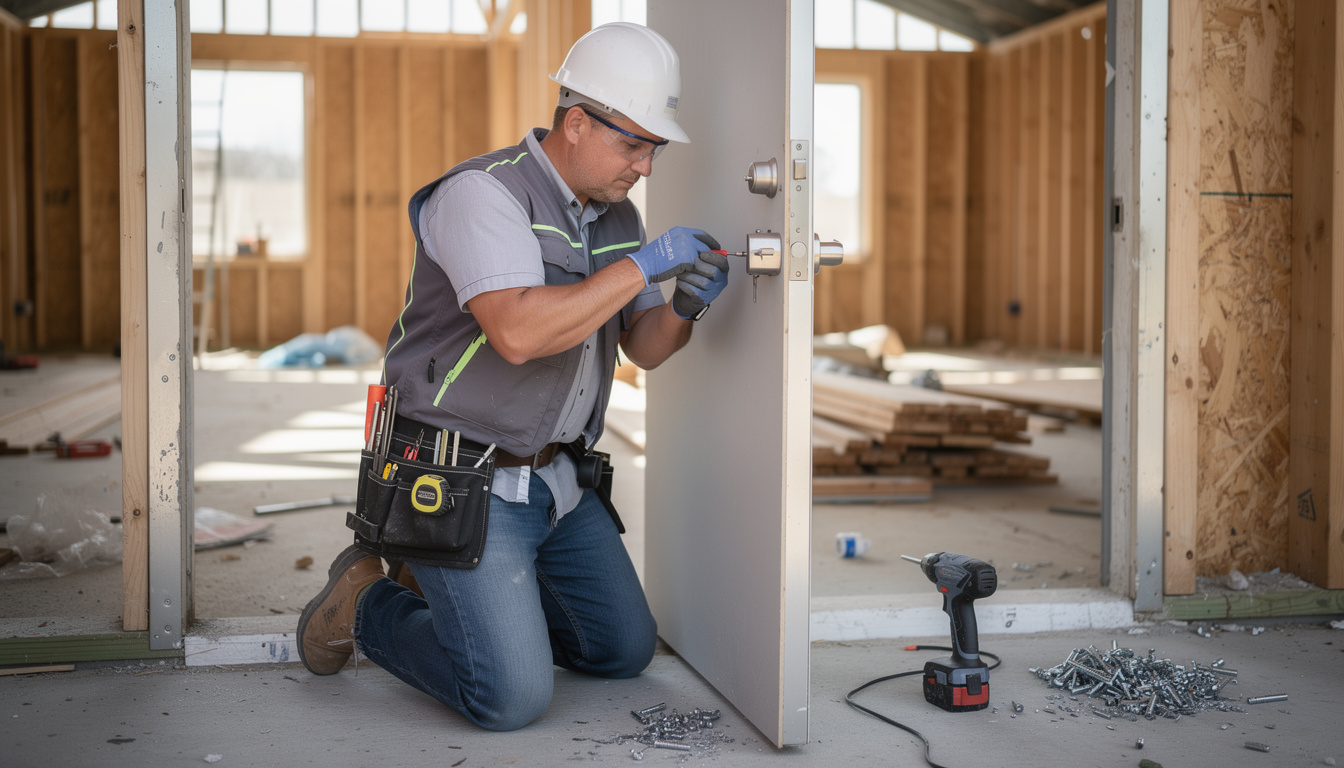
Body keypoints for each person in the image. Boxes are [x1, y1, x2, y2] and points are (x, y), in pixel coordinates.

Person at [295, 22, 730, 732]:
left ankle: (480, 607)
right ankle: (370, 600)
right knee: (511, 698)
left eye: (654, 149)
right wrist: (643, 266)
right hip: (462, 479)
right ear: (579, 122)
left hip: (557, 482)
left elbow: (645, 350)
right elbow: (520, 332)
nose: (645, 167)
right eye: (633, 144)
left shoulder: (617, 219)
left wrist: (683, 308)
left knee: (623, 649)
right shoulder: (483, 195)